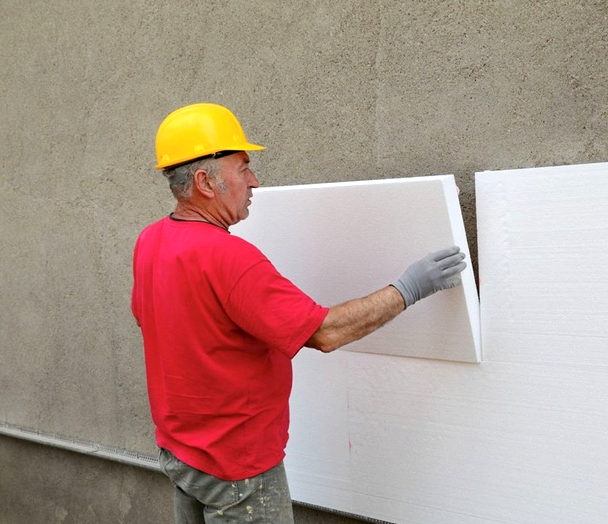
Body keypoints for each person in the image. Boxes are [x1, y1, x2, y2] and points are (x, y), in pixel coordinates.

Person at [131, 103, 467, 524]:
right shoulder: (228, 257)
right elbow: (324, 333)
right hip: (238, 469)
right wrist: (408, 288)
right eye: (244, 168)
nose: (254, 182)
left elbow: (162, 324)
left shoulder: (151, 241)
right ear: (205, 181)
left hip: (183, 455)